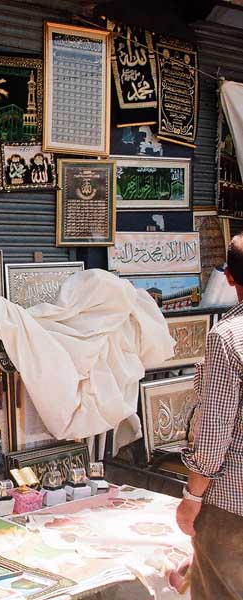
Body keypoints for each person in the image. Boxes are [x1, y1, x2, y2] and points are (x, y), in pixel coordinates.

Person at [176, 234, 243, 599]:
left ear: (229, 278)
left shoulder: (228, 337)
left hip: (234, 503)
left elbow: (215, 433)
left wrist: (193, 498)